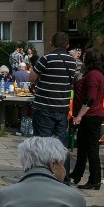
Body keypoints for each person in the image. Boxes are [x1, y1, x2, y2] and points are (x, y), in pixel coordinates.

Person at [29, 32, 76, 163]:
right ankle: (62, 177)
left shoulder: (46, 58)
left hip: (43, 106)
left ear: (51, 44)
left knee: (42, 143)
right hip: (62, 107)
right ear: (67, 45)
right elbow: (74, 81)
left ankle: (43, 175)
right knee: (61, 144)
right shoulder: (73, 62)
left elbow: (32, 78)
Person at [69, 48, 104, 190]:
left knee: (91, 149)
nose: (82, 59)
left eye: (85, 57)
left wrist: (79, 116)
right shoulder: (95, 74)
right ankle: (77, 173)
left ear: (89, 60)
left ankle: (95, 180)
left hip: (91, 116)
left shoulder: (93, 75)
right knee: (82, 147)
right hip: (89, 116)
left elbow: (90, 98)